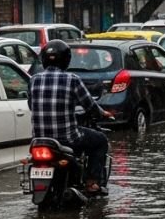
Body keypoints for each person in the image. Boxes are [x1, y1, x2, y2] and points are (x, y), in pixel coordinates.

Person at [30, 40, 115, 196]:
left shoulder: (34, 80)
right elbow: (90, 106)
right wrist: (102, 114)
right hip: (67, 138)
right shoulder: (72, 79)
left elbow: (31, 104)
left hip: (39, 140)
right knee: (100, 140)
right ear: (66, 60)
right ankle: (92, 183)